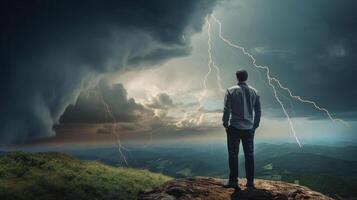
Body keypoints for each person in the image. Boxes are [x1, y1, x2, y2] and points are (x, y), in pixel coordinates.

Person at [222, 69, 261, 190]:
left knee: (233, 154)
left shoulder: (230, 90)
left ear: (236, 77)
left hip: (234, 127)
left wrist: (225, 124)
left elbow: (227, 109)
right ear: (246, 77)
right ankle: (250, 182)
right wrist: (255, 125)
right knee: (249, 154)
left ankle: (233, 181)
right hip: (249, 128)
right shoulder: (255, 92)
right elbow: (258, 110)